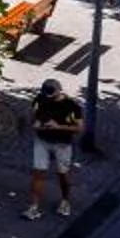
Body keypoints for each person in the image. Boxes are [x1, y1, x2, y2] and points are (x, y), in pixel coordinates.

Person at [26, 78, 83, 219]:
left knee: (63, 174)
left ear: (59, 91)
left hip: (62, 143)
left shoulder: (71, 106)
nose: (48, 97)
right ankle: (34, 206)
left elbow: (79, 128)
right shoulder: (40, 99)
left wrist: (59, 126)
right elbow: (33, 115)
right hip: (42, 140)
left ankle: (65, 201)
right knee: (38, 173)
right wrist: (35, 123)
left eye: (52, 95)